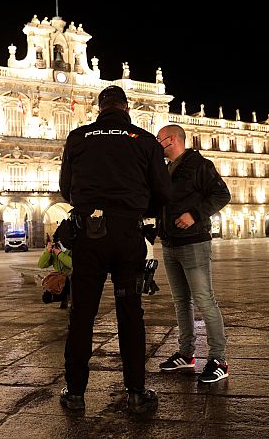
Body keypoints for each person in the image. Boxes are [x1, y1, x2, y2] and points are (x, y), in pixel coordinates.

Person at [58, 85, 171, 413]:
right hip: (127, 235)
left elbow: (65, 188)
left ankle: (75, 393)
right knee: (130, 312)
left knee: (82, 315)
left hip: (88, 235)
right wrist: (138, 208)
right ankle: (136, 392)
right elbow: (163, 191)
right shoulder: (145, 140)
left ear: (99, 108)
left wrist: (89, 202)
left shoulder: (78, 137)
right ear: (127, 108)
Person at [156, 124, 231, 383]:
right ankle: (186, 353)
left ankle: (219, 359)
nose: (157, 143)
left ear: (172, 139)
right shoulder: (166, 169)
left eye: (159, 139)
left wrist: (195, 214)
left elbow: (222, 194)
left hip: (194, 242)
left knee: (205, 300)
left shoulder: (200, 165)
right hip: (170, 242)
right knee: (181, 301)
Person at [38, 237, 71, 309]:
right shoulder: (54, 249)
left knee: (70, 280)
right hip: (59, 279)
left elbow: (72, 264)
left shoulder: (71, 249)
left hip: (71, 277)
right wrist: (47, 252)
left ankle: (67, 299)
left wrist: (59, 254)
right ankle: (63, 297)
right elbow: (41, 265)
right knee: (46, 297)